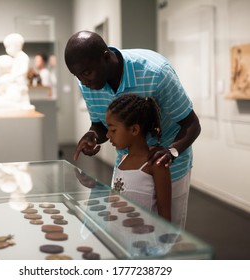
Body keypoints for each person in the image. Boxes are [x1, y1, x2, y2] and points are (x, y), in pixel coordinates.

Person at [64, 30, 201, 228]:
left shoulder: (156, 72)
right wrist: (93, 135)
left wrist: (171, 152)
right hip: (128, 167)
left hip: (168, 166)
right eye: (77, 75)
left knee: (167, 235)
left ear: (105, 57)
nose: (83, 81)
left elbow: (192, 124)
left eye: (86, 73)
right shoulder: (85, 80)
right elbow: (100, 125)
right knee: (124, 229)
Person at [107, 94, 171, 221]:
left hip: (145, 236)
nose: (108, 135)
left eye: (113, 130)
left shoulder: (155, 164)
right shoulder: (122, 160)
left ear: (134, 130)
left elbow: (165, 213)